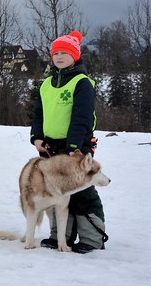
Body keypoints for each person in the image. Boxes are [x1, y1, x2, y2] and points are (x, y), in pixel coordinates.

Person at [30, 30, 107, 254]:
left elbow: (82, 117)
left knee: (82, 191)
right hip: (51, 147)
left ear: (75, 55)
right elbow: (38, 114)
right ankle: (61, 236)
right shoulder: (46, 85)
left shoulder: (82, 83)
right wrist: (37, 137)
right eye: (56, 53)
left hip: (76, 147)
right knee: (55, 189)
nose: (60, 57)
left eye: (65, 52)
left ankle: (92, 238)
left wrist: (74, 147)